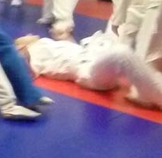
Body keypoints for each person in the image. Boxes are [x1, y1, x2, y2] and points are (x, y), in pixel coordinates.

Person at [15, 30, 162, 109]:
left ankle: (146, 94)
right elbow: (27, 72)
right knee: (122, 53)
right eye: (25, 36)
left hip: (92, 57)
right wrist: (19, 53)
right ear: (21, 46)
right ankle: (156, 96)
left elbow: (68, 52)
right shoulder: (33, 54)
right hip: (88, 71)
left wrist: (66, 37)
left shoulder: (45, 43)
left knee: (135, 62)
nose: (29, 34)